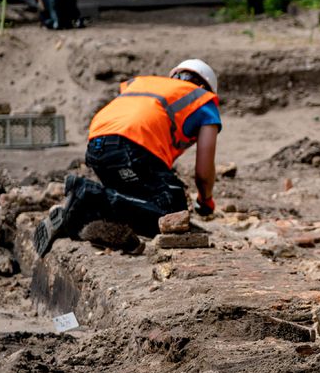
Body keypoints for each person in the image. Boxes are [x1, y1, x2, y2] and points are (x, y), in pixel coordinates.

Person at [33, 59, 222, 256]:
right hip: (131, 148)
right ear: (203, 87)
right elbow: (203, 171)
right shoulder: (203, 100)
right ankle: (87, 196)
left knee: (136, 202)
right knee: (174, 211)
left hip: (97, 146)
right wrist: (206, 200)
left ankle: (80, 218)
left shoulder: (145, 84)